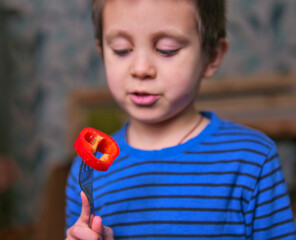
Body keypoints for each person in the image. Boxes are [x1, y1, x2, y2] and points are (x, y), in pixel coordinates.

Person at [65, 0, 296, 239]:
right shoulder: (87, 171)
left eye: (167, 49)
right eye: (122, 50)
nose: (141, 69)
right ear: (102, 52)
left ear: (212, 56)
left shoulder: (253, 159)